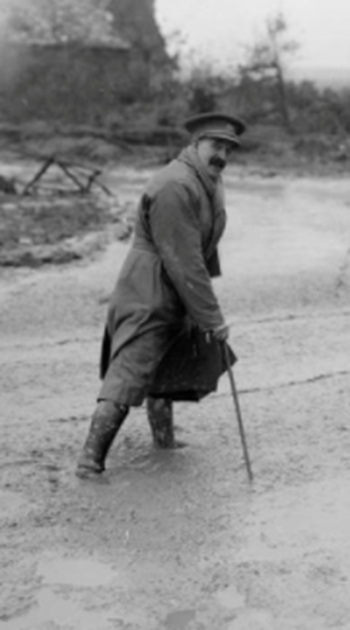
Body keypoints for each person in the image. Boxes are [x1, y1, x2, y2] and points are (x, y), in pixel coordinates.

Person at [76, 112, 246, 478]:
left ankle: (163, 443)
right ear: (195, 143)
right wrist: (212, 317)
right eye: (216, 145)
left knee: (167, 368)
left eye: (229, 148)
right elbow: (184, 260)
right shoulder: (174, 186)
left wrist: (199, 304)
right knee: (128, 373)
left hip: (177, 288)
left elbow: (204, 249)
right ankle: (90, 462)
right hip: (148, 291)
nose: (223, 155)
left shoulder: (210, 181)